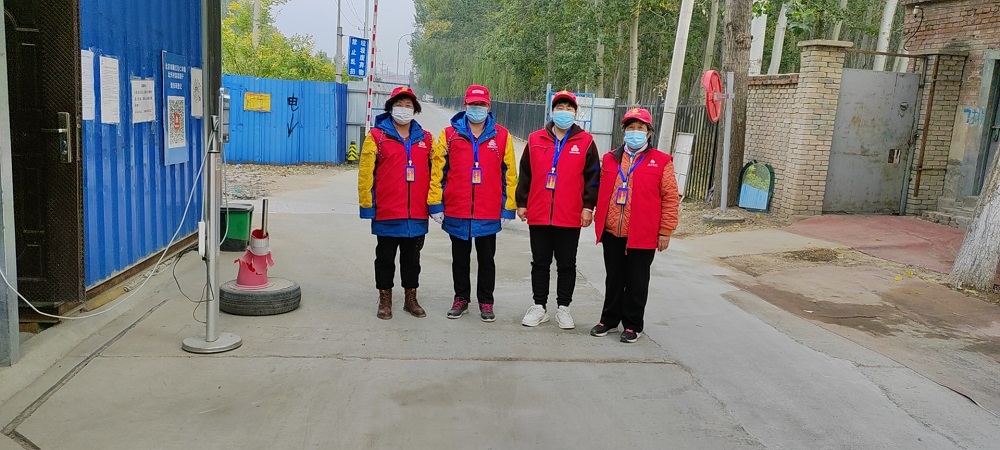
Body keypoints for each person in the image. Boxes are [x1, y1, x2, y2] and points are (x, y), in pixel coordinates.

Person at [428, 84, 518, 322]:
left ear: (489, 106)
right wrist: (436, 203)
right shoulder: (449, 134)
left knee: (487, 260)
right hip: (457, 209)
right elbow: (438, 171)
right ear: (464, 105)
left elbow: (510, 174)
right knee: (460, 259)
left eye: (481, 104)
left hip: (488, 210)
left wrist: (508, 207)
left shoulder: (502, 135)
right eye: (473, 104)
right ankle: (461, 298)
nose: (477, 108)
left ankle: (486, 301)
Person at [591, 107, 679, 343]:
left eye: (640, 128)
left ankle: (632, 324)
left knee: (637, 281)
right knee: (614, 278)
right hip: (613, 231)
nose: (635, 132)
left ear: (649, 133)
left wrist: (665, 231)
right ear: (624, 131)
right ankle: (609, 320)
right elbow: (599, 189)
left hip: (643, 233)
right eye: (631, 127)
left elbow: (670, 197)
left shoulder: (661, 162)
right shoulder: (610, 158)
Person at [515, 90, 601, 329]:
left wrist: (588, 207)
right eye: (560, 108)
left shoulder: (585, 142)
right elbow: (525, 173)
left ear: (576, 112)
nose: (564, 112)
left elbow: (593, 177)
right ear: (552, 111)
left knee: (567, 264)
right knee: (540, 262)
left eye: (569, 108)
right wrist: (522, 202)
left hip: (569, 214)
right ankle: (539, 306)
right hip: (539, 212)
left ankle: (564, 308)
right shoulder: (535, 139)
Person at [358, 86, 433, 320]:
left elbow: (437, 174)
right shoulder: (376, 137)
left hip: (416, 213)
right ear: (390, 108)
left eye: (408, 105)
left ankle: (411, 298)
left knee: (412, 259)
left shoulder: (427, 139)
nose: (403, 109)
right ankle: (385, 299)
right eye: (399, 104)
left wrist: (435, 205)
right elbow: (366, 174)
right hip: (387, 211)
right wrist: (367, 204)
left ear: (415, 110)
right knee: (385, 258)